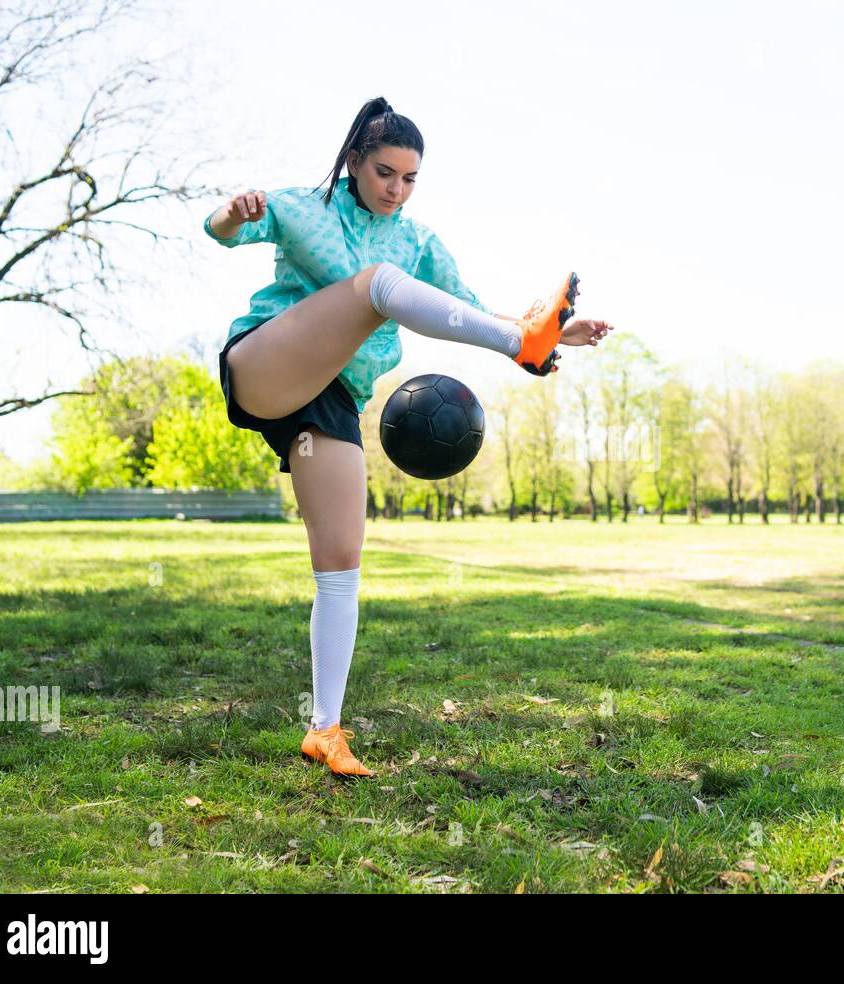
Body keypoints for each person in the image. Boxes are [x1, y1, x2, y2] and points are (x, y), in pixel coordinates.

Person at [204, 97, 615, 777]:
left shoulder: (418, 241)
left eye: (410, 178)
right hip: (267, 365)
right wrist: (233, 211)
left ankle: (325, 730)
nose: (396, 189)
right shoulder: (304, 207)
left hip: (329, 402)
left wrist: (551, 332)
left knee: (340, 566)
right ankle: (524, 345)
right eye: (385, 173)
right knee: (376, 286)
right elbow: (220, 232)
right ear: (355, 162)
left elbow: (466, 309)